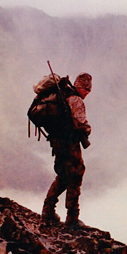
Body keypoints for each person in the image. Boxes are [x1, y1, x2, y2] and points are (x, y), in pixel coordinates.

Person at [41, 72, 92, 227]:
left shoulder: (62, 95)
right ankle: (72, 218)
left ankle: (48, 210)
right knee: (75, 176)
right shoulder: (76, 100)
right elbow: (80, 124)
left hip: (57, 143)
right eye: (87, 90)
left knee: (62, 176)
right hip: (70, 144)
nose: (87, 94)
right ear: (83, 87)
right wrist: (88, 130)